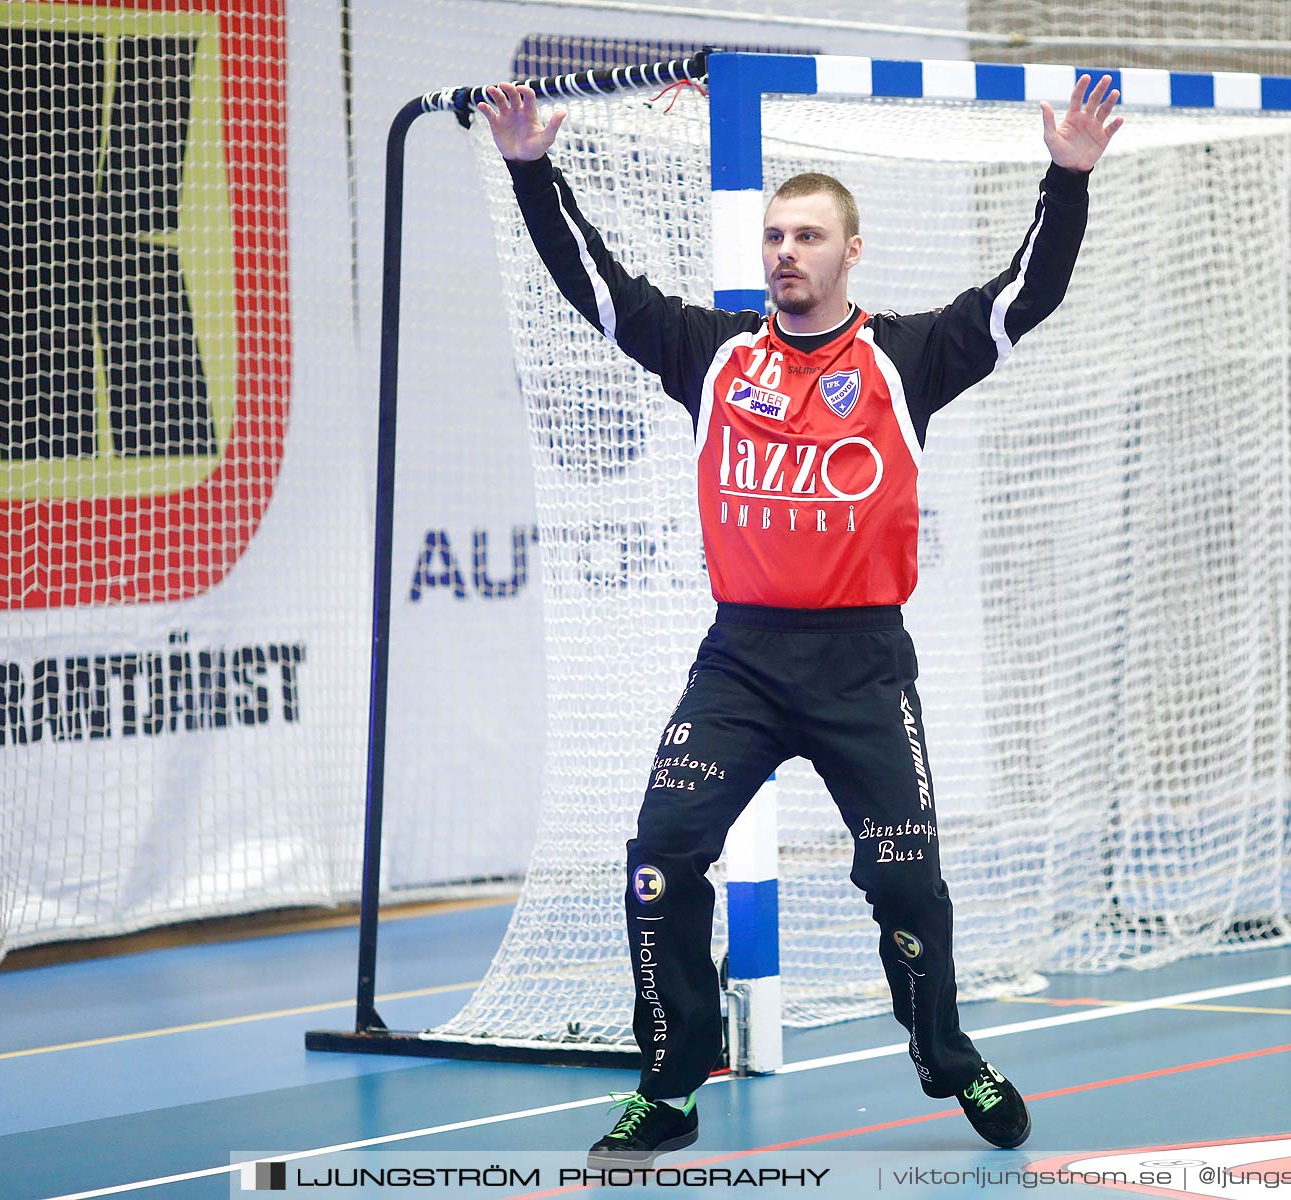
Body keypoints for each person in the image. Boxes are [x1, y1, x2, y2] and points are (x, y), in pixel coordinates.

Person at [479, 70, 1121, 1167]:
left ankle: (947, 1052)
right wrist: (532, 167)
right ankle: (671, 1086)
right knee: (660, 856)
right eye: (775, 235)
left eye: (809, 236)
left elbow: (1028, 296)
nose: (786, 252)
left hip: (861, 668)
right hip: (741, 660)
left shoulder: (905, 359)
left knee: (907, 883)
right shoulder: (715, 354)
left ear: (848, 253)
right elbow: (596, 287)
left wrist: (1066, 179)